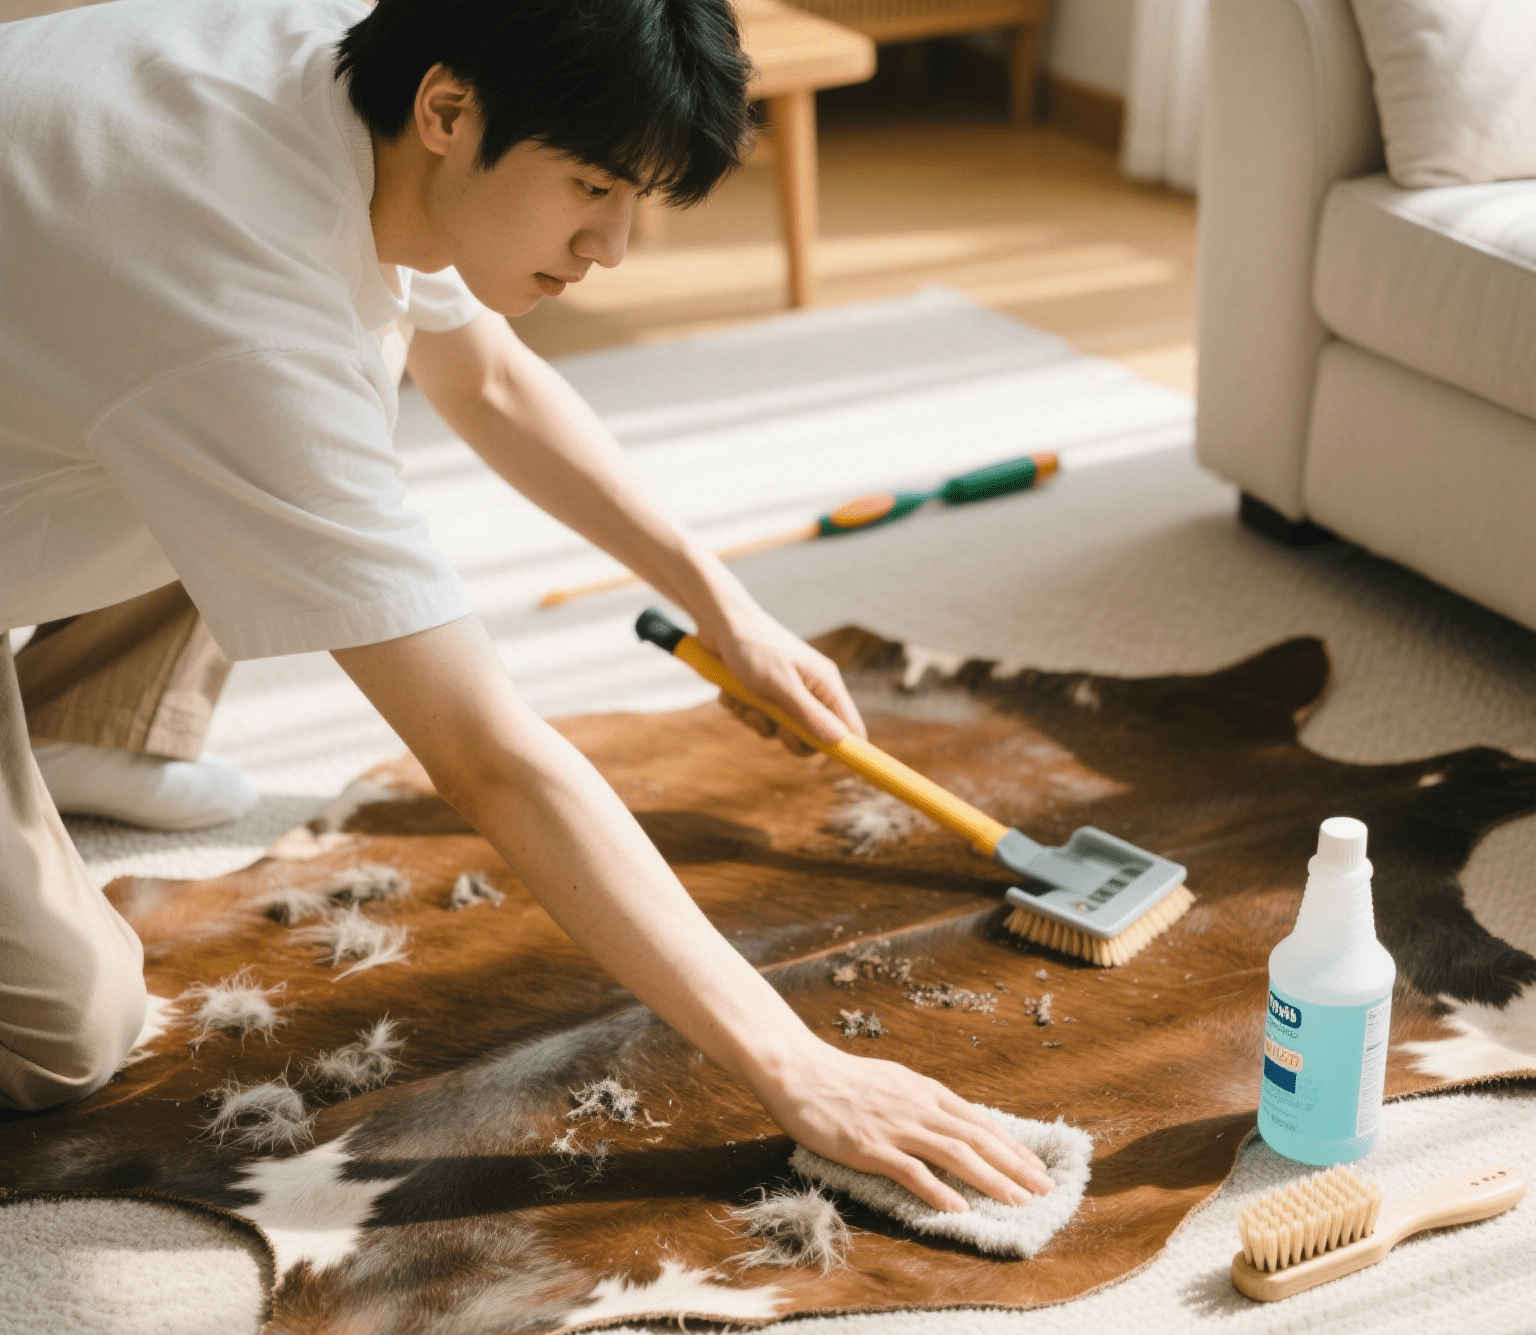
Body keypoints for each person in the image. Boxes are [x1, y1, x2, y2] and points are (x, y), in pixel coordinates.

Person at [0, 0, 1051, 1213]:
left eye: (635, 202)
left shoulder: (379, 64)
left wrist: (725, 606)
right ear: (450, 112)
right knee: (63, 1034)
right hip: (151, 324)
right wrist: (797, 1065)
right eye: (593, 190)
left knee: (261, 445)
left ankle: (87, 724)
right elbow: (488, 758)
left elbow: (489, 376)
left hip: (62, 323)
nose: (612, 247)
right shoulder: (242, 316)